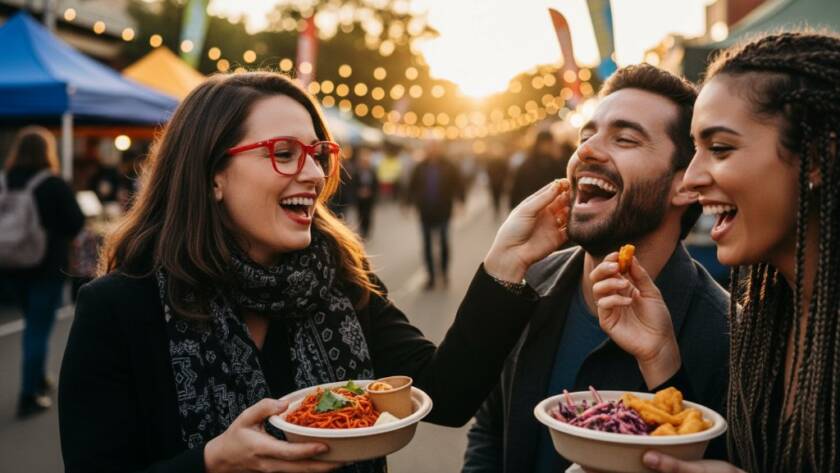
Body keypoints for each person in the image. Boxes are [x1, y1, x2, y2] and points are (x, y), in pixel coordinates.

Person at [58, 72, 572, 473]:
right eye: (284, 153)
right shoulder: (119, 308)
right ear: (212, 174)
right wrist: (212, 464)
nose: (314, 173)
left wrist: (507, 259)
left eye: (318, 153)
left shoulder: (338, 283)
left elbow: (448, 393)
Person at [463, 64, 730, 473]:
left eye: (624, 139)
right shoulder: (530, 282)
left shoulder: (728, 336)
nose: (586, 151)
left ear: (684, 183)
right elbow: (490, 432)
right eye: (586, 136)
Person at [593, 32, 840, 473]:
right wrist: (661, 357)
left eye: (720, 149)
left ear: (818, 156)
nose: (689, 180)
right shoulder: (767, 322)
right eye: (695, 150)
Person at [0, 126, 84, 417]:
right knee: (38, 327)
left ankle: (40, 375)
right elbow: (75, 222)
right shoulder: (52, 184)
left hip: (11, 266)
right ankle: (28, 393)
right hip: (46, 267)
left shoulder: (5, 181)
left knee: (33, 323)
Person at [406, 140, 465, 290]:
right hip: (425, 211)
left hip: (444, 210)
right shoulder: (420, 167)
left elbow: (459, 183)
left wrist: (461, 201)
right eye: (430, 147)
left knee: (444, 242)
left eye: (435, 147)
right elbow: (411, 186)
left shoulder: (448, 166)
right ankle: (431, 277)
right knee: (427, 244)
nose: (432, 150)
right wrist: (407, 203)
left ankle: (444, 274)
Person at [509, 130, 567, 209]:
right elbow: (517, 188)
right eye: (544, 143)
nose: (546, 146)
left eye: (549, 143)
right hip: (530, 205)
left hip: (553, 207)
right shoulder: (527, 164)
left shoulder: (556, 162)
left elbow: (563, 179)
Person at [350, 146, 379, 239]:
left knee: (368, 215)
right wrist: (358, 192)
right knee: (360, 214)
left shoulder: (373, 171)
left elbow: (376, 184)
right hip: (360, 198)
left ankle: (366, 231)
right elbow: (353, 184)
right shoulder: (357, 171)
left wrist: (371, 192)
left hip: (369, 198)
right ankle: (362, 230)